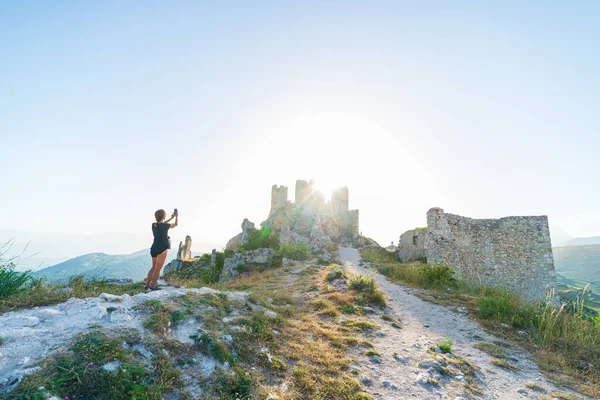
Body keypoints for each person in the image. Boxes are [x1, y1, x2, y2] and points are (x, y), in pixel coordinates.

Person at [145, 209, 178, 290]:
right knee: (157, 268)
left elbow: (161, 223)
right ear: (163, 216)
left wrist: (171, 218)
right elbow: (175, 225)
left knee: (153, 267)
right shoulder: (165, 226)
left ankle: (147, 285)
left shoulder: (154, 225)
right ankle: (153, 287)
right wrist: (176, 217)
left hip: (154, 247)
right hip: (162, 247)